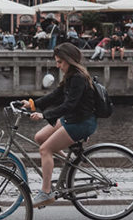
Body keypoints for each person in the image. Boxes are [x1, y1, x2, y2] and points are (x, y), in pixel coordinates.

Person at [20, 42, 98, 208]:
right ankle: (70, 164)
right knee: (40, 137)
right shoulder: (70, 76)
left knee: (45, 149)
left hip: (81, 123)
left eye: (60, 62)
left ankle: (46, 192)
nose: (57, 65)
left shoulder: (78, 77)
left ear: (69, 60)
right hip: (72, 119)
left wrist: (44, 115)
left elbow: (69, 105)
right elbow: (56, 95)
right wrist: (32, 104)